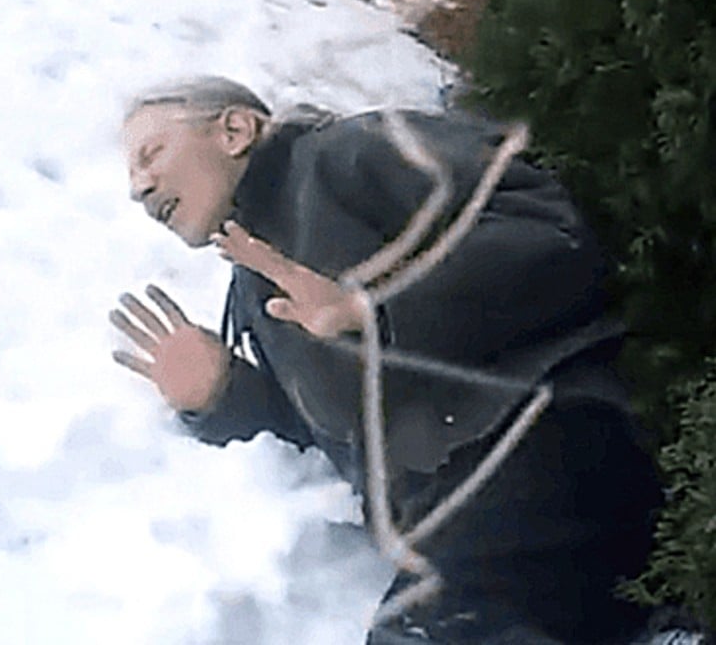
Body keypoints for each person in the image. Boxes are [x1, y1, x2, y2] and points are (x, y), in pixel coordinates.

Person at [109, 76, 662, 644]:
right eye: (131, 176)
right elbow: (338, 433)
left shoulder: (351, 153)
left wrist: (371, 307)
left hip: (542, 449)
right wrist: (225, 396)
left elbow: (550, 233)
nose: (138, 188)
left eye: (151, 155)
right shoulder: (253, 286)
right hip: (461, 530)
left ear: (234, 129)